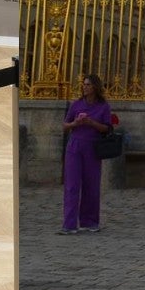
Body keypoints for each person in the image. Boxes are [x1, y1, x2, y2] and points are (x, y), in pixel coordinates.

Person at [61, 73, 114, 234]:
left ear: (95, 87)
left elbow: (107, 128)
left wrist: (91, 122)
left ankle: (89, 221)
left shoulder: (103, 106)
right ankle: (69, 224)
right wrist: (75, 123)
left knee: (91, 185)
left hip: (92, 147)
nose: (85, 87)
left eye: (88, 84)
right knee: (72, 185)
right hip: (75, 146)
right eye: (84, 84)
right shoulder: (76, 104)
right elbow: (65, 125)